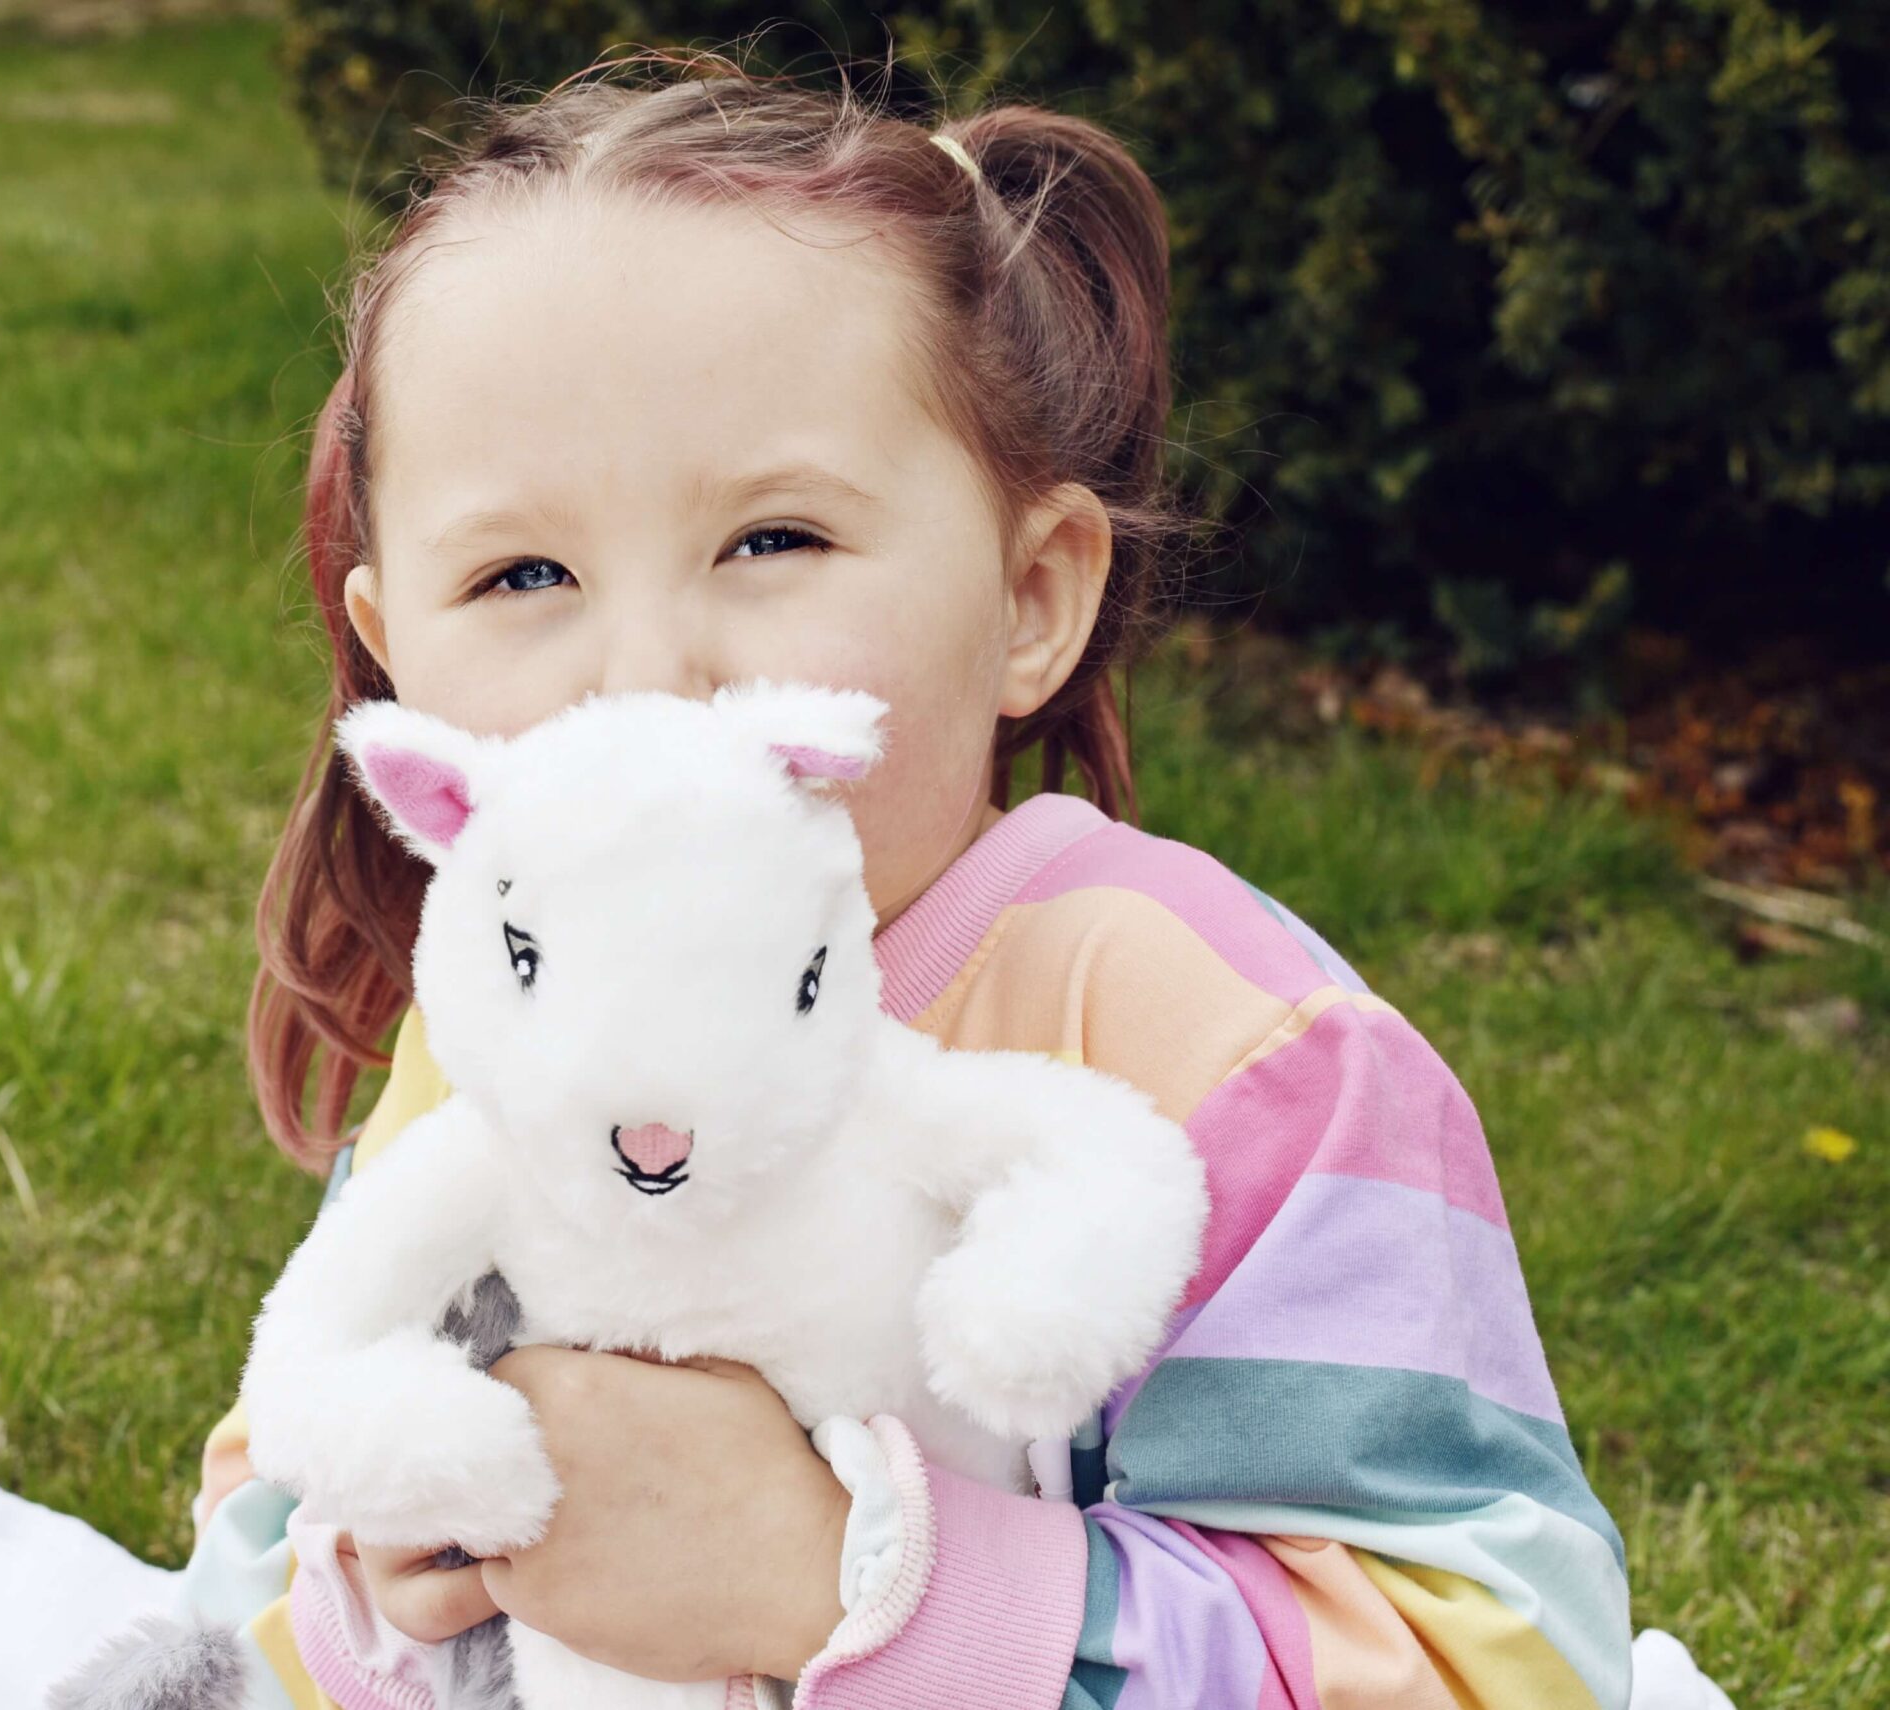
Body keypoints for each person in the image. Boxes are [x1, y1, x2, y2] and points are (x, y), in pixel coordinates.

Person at [179, 51, 1720, 1710]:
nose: (643, 672)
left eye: (774, 539)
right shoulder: (506, 1014)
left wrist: (837, 1574)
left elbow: (1490, 1652)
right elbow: (259, 1538)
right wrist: (387, 1585)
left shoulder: (1228, 1052)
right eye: (522, 570)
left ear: (1032, 592)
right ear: (396, 664)